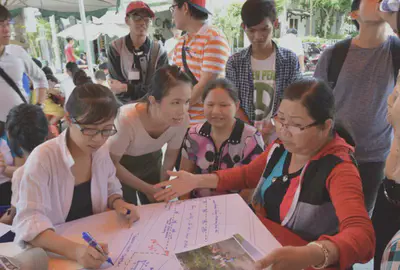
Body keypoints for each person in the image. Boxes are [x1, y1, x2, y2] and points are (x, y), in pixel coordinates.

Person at [154, 78, 375, 270]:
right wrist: (196, 180)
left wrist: (311, 253)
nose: (285, 131)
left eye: (296, 125)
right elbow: (247, 175)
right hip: (266, 247)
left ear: (325, 126)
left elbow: (362, 235)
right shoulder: (281, 148)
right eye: (280, 120)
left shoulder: (339, 168)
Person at [12, 73, 140, 269]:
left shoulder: (100, 151)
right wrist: (76, 251)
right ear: (69, 120)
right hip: (58, 254)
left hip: (95, 242)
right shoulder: (43, 159)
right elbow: (29, 222)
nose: (98, 139)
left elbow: (111, 187)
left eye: (106, 130)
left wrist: (119, 203)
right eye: (89, 129)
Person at [314, 0, 400, 215]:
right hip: (335, 152)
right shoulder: (335, 54)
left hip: (377, 157)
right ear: (354, 14)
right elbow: (314, 104)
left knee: (361, 220)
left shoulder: (396, 51)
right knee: (327, 217)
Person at [107, 65, 191, 205]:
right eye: (175, 102)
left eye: (187, 102)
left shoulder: (182, 119)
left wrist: (162, 187)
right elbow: (111, 163)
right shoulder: (126, 120)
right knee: (127, 210)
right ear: (153, 100)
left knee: (157, 209)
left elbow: (170, 156)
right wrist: (148, 189)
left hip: (151, 161)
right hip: (121, 166)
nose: (182, 111)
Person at [225, 0, 300, 144]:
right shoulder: (235, 62)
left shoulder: (289, 60)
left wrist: (274, 123)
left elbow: (296, 99)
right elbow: (232, 102)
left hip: (281, 135)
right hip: (244, 137)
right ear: (243, 27)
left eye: (264, 29)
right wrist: (252, 132)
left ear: (275, 24)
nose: (258, 36)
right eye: (252, 30)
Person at [180, 78, 265, 200]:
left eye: (223, 105)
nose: (215, 111)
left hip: (236, 207)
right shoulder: (194, 134)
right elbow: (185, 174)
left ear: (236, 106)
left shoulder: (251, 138)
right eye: (210, 104)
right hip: (198, 206)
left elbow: (253, 186)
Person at [171, 0, 230, 126]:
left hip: (206, 127)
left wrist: (175, 108)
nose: (173, 14)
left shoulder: (213, 38)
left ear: (185, 7)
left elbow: (205, 85)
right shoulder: (181, 42)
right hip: (183, 125)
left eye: (173, 8)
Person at [107, 1, 168, 104]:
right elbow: (117, 89)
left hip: (151, 109)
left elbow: (159, 89)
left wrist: (126, 88)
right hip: (124, 109)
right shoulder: (115, 48)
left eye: (146, 19)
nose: (142, 23)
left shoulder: (159, 51)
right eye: (137, 18)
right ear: (127, 20)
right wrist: (125, 89)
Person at [0, 104, 49, 225]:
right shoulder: (61, 159)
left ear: (9, 135)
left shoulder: (23, 174)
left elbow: (11, 217)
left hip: (35, 230)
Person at [0, 5, 48, 124]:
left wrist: (39, 106)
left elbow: (40, 78)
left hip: (20, 127)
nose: (6, 30)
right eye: (0, 25)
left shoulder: (17, 52)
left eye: (7, 24)